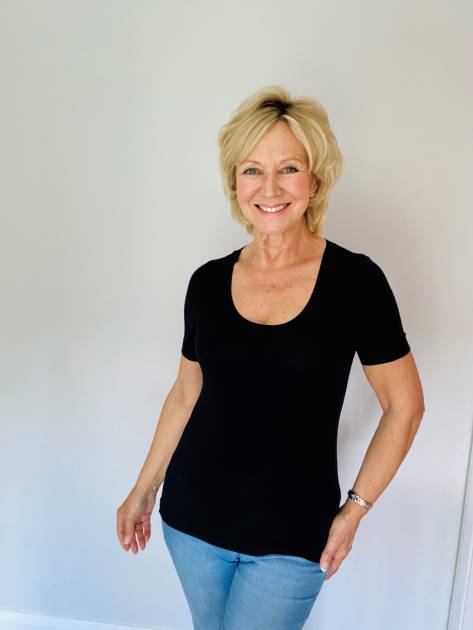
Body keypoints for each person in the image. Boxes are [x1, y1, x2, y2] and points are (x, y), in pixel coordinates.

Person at [116, 85, 425, 629]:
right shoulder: (207, 282)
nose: (270, 187)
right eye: (252, 170)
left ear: (316, 180)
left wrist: (355, 510)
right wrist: (143, 489)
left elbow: (405, 406)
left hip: (292, 537)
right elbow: (186, 394)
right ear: (235, 183)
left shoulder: (356, 282)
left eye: (289, 168)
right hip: (192, 522)